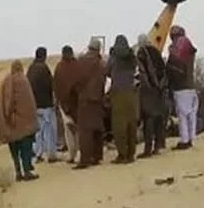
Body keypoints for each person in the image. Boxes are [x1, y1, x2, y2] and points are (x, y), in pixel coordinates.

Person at [0, 60, 40, 181]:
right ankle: (27, 171)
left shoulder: (6, 81)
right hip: (24, 122)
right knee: (25, 147)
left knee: (14, 149)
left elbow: (3, 101)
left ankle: (18, 171)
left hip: (10, 123)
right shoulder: (23, 80)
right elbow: (28, 102)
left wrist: (6, 117)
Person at [72, 37, 107, 170]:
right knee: (98, 129)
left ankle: (85, 159)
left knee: (85, 131)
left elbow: (77, 80)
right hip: (98, 99)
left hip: (85, 99)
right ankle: (97, 156)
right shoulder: (101, 63)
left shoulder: (81, 61)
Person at [106, 34, 139, 164]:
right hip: (131, 92)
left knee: (119, 125)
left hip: (118, 92)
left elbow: (107, 71)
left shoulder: (113, 58)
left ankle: (122, 154)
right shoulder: (132, 57)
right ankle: (131, 153)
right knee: (131, 124)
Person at [166, 25, 199, 150]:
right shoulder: (189, 49)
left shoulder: (177, 49)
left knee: (182, 115)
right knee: (191, 115)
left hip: (181, 88)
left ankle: (184, 140)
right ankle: (191, 139)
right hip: (191, 86)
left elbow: (172, 68)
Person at [135, 33, 168, 158]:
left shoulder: (141, 53)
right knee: (159, 118)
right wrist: (161, 86)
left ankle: (147, 149)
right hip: (159, 90)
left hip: (148, 90)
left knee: (148, 118)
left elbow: (142, 72)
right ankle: (158, 146)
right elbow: (163, 70)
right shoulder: (156, 52)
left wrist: (147, 85)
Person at [27, 46, 58, 163]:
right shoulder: (44, 68)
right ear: (44, 56)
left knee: (38, 132)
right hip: (45, 104)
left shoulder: (31, 68)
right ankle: (51, 155)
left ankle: (38, 154)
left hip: (34, 105)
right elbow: (51, 84)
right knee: (49, 131)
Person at [53, 45, 80, 163]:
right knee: (79, 129)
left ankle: (72, 154)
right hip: (77, 103)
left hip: (64, 104)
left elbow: (56, 86)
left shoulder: (59, 67)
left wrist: (59, 101)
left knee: (68, 130)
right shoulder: (78, 65)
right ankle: (79, 153)